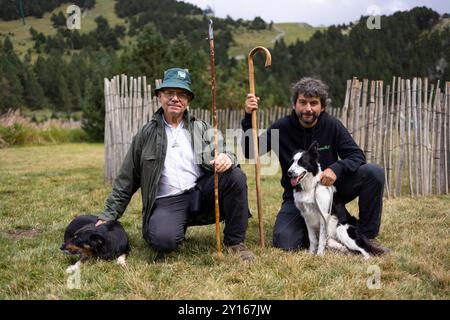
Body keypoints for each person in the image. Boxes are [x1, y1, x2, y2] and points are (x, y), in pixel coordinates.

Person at [96, 67, 255, 261]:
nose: (175, 98)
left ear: (188, 101)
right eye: (169, 93)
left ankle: (235, 242)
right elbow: (126, 179)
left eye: (181, 94)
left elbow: (226, 151)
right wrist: (109, 215)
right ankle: (173, 226)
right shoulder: (145, 135)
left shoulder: (201, 127)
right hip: (167, 201)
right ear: (160, 97)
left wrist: (228, 158)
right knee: (163, 241)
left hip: (199, 193)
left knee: (235, 176)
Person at [241, 77, 390, 255]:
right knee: (284, 241)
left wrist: (336, 169)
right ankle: (326, 229)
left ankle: (365, 235)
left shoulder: (332, 125)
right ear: (294, 105)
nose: (308, 109)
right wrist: (248, 117)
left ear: (323, 107)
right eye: (302, 102)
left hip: (331, 192)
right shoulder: (281, 128)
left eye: (313, 103)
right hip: (298, 195)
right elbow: (251, 151)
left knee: (373, 173)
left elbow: (357, 156)